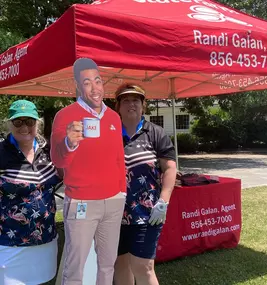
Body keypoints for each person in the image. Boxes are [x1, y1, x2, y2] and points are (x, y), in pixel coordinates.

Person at [50, 58, 126, 285]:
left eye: (98, 81)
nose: (95, 88)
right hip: (81, 202)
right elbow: (56, 158)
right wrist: (69, 143)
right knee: (76, 267)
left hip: (113, 202)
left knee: (106, 265)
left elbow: (119, 160)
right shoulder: (64, 116)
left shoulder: (113, 117)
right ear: (77, 86)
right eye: (87, 82)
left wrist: (122, 192)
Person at [113, 83, 177, 285]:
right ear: (118, 106)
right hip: (113, 213)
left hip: (147, 213)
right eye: (125, 100)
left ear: (143, 105)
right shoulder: (110, 133)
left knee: (143, 267)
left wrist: (163, 201)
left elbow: (169, 168)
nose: (131, 104)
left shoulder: (155, 133)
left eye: (135, 100)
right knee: (119, 263)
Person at [0, 99, 62, 285]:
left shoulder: (49, 151)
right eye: (18, 122)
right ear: (9, 124)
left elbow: (67, 174)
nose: (24, 126)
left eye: (30, 121)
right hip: (9, 242)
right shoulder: (2, 152)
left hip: (45, 239)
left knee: (42, 281)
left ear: (38, 124)